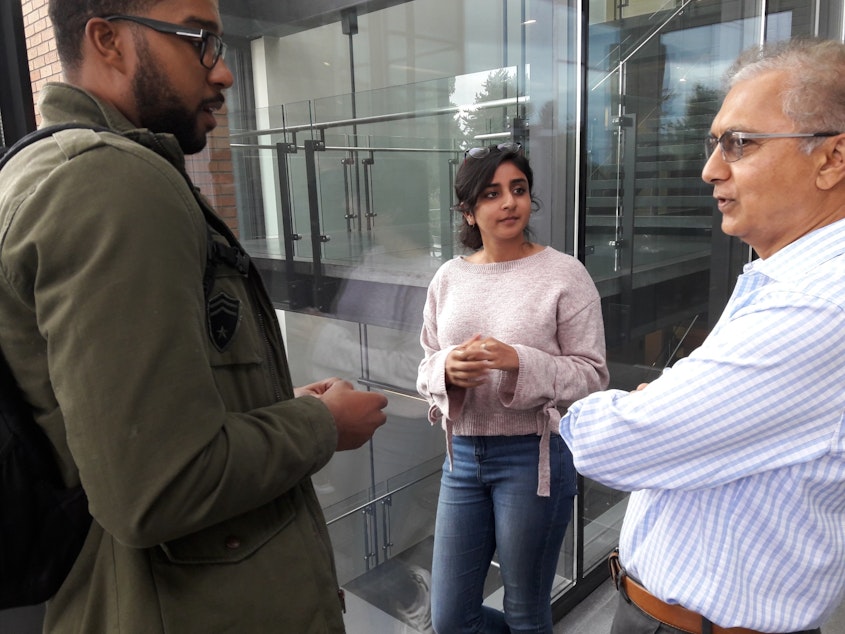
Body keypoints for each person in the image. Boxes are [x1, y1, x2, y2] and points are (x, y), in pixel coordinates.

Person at [0, 1, 388, 632]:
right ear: (108, 41)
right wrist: (320, 424)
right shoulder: (113, 184)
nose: (224, 72)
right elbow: (158, 485)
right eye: (199, 39)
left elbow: (128, 427)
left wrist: (270, 405)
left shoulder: (41, 168)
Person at [559, 37, 845, 634]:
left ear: (831, 160)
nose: (711, 168)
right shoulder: (790, 279)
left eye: (740, 143)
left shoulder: (816, 305)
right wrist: (672, 398)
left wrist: (630, 405)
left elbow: (611, 445)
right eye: (714, 142)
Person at [417, 143, 609, 633]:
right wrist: (446, 371)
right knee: (450, 619)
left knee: (526, 610)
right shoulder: (448, 278)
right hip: (460, 457)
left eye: (518, 190)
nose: (509, 203)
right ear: (468, 209)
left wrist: (520, 361)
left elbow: (591, 376)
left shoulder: (565, 274)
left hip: (534, 458)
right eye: (492, 193)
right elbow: (424, 366)